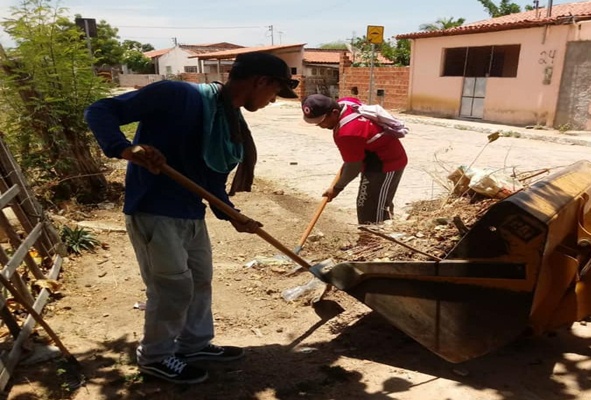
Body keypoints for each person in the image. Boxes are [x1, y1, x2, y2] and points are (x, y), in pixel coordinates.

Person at [84, 52, 299, 384]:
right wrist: (126, 149)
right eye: (274, 93)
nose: (272, 101)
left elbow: (210, 180)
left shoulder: (228, 119)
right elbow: (100, 110)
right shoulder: (177, 95)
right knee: (172, 288)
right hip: (154, 208)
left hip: (190, 213)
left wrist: (232, 215)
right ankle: (155, 356)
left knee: (199, 281)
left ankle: (193, 345)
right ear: (261, 81)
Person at [301, 94, 407, 224]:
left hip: (386, 163)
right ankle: (369, 238)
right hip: (369, 157)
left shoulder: (347, 133)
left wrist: (337, 188)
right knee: (366, 205)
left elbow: (353, 167)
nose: (319, 125)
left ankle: (377, 240)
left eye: (321, 121)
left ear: (334, 112)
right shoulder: (345, 102)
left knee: (373, 208)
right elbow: (352, 160)